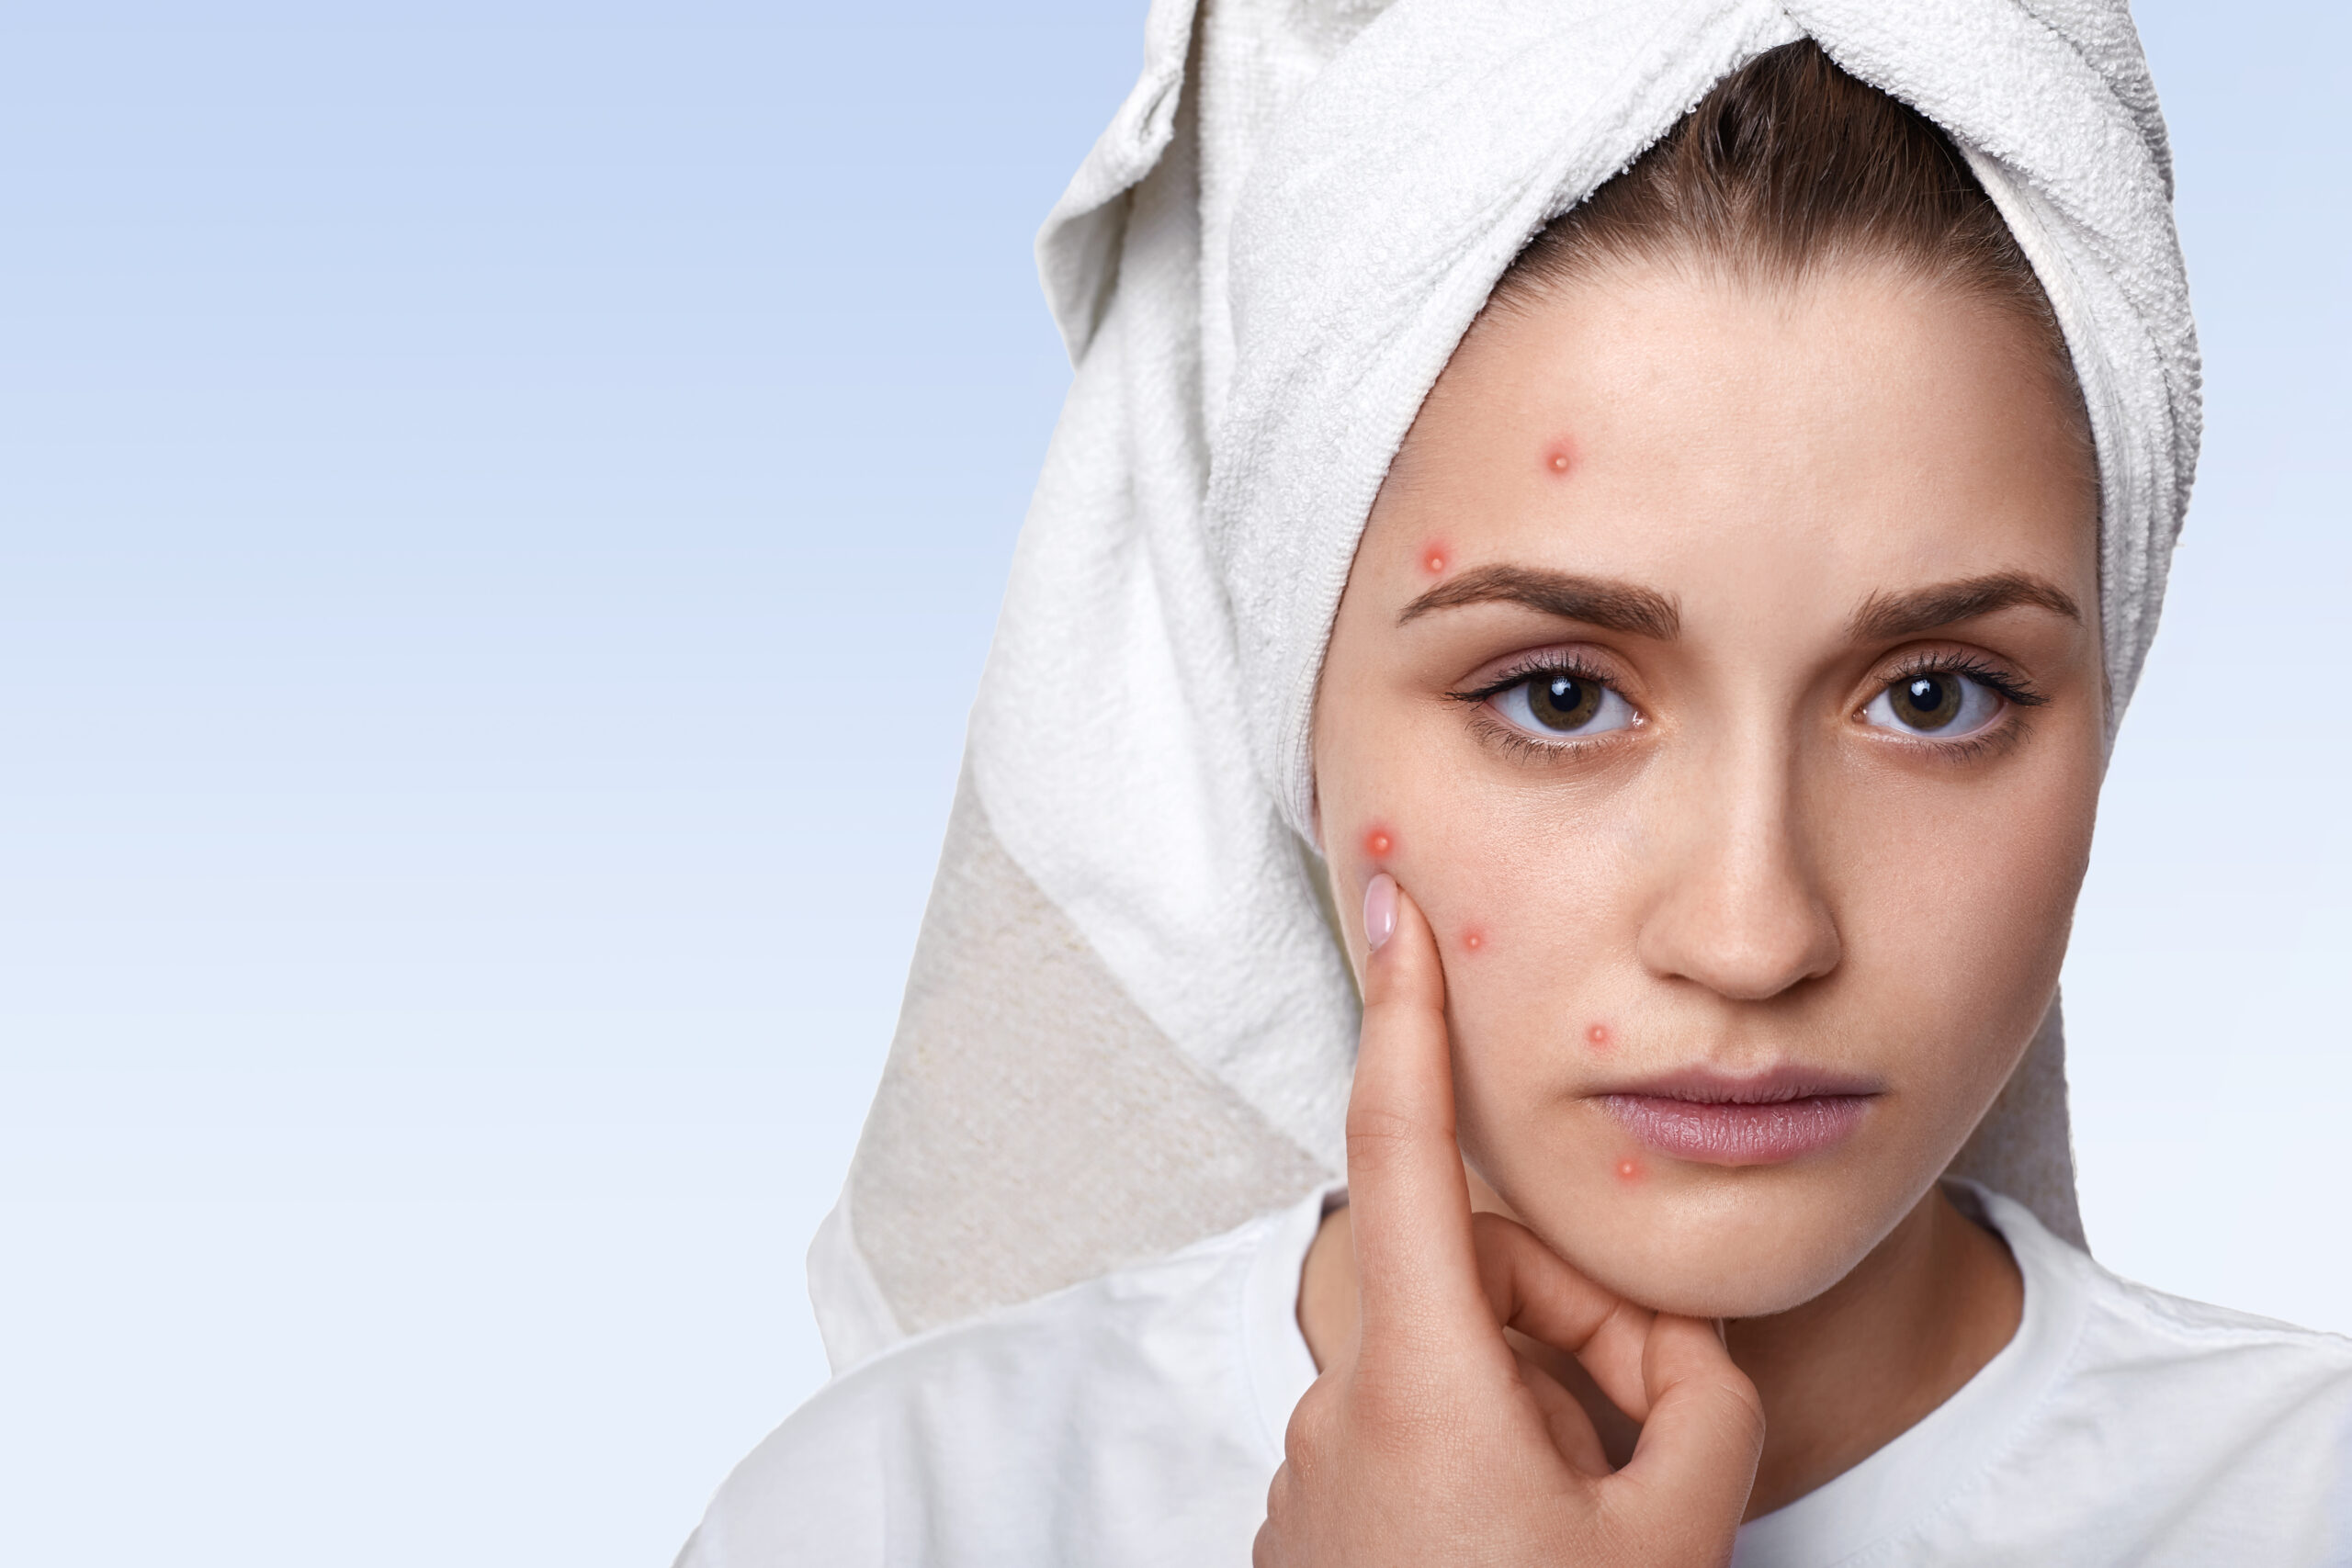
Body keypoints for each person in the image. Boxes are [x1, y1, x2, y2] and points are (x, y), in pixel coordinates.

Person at [682, 6, 2352, 1564]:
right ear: (1295, 723)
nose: (1754, 933)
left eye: (1934, 696)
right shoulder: (910, 1514)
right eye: (1561, 698)